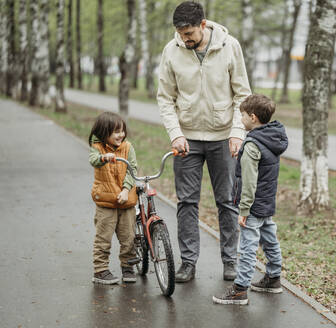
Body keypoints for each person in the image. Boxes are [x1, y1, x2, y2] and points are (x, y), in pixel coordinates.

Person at [156, 1, 251, 282]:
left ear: (203, 24)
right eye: (180, 33)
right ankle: (188, 263)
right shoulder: (171, 51)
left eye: (189, 33)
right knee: (186, 202)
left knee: (227, 202)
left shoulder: (229, 45)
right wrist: (176, 133)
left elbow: (242, 94)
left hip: (223, 138)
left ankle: (230, 262)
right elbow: (165, 98)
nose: (185, 38)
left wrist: (237, 132)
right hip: (186, 139)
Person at [213, 94, 288, 305]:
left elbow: (249, 182)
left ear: (253, 117)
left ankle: (240, 289)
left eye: (242, 116)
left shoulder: (253, 145)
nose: (241, 120)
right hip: (266, 201)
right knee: (270, 239)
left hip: (253, 205)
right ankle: (273, 278)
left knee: (247, 246)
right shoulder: (272, 138)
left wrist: (244, 210)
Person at [88, 112, 138, 285]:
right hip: (106, 202)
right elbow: (93, 160)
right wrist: (104, 157)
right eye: (116, 131)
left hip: (126, 201)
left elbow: (133, 169)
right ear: (104, 133)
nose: (121, 135)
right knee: (104, 237)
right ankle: (100, 270)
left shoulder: (127, 147)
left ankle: (128, 267)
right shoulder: (97, 148)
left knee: (129, 237)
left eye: (122, 131)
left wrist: (126, 190)